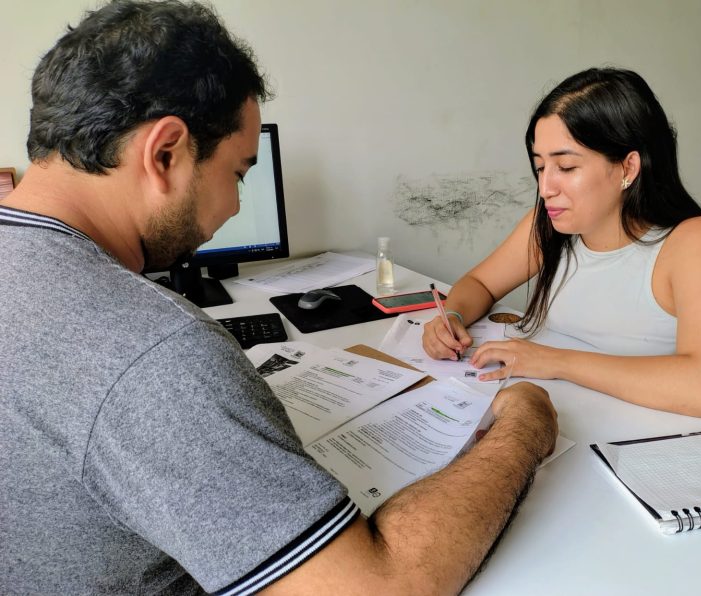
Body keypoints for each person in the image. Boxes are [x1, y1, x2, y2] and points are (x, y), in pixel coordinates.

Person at [0, 1, 558, 594]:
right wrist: (525, 427)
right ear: (165, 154)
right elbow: (375, 588)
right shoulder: (153, 352)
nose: (236, 205)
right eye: (238, 173)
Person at [423, 67, 701, 422]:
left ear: (628, 168)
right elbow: (480, 283)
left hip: (637, 433)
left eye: (565, 167)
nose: (546, 188)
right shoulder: (547, 226)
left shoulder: (696, 240)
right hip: (549, 413)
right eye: (540, 167)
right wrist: (452, 316)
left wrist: (554, 361)